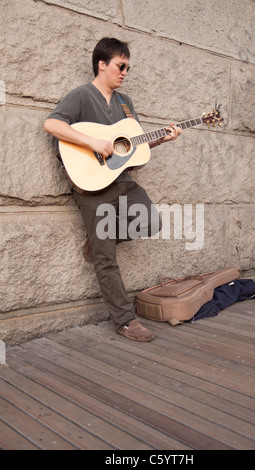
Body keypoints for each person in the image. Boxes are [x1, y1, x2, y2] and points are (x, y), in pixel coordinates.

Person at [43, 37, 181, 342]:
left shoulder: (125, 103)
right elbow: (52, 125)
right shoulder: (80, 96)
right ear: (102, 64)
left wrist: (163, 138)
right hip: (92, 186)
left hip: (123, 180)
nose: (125, 72)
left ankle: (99, 241)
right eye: (121, 66)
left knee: (151, 221)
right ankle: (124, 320)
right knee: (106, 259)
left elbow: (133, 144)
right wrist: (92, 143)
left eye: (128, 68)